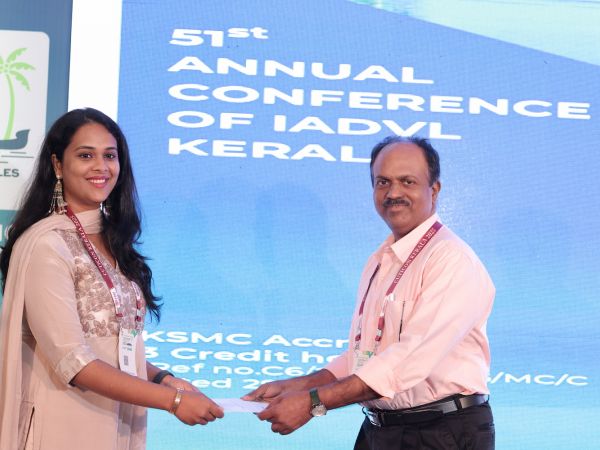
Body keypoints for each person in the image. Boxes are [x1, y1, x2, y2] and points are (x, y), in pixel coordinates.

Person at [244, 136, 496, 449]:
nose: (393, 193)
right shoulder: (381, 259)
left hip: (440, 433)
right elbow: (369, 353)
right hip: (381, 429)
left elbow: (408, 359)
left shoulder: (451, 259)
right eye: (382, 182)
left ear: (434, 190)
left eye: (407, 181)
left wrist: (312, 401)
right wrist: (302, 385)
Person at [0, 108, 224, 450]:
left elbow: (114, 347)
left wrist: (164, 380)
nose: (101, 167)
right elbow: (73, 361)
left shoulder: (114, 241)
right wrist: (172, 401)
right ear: (58, 165)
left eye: (110, 156)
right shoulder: (47, 245)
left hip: (117, 420)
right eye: (85, 155)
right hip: (63, 423)